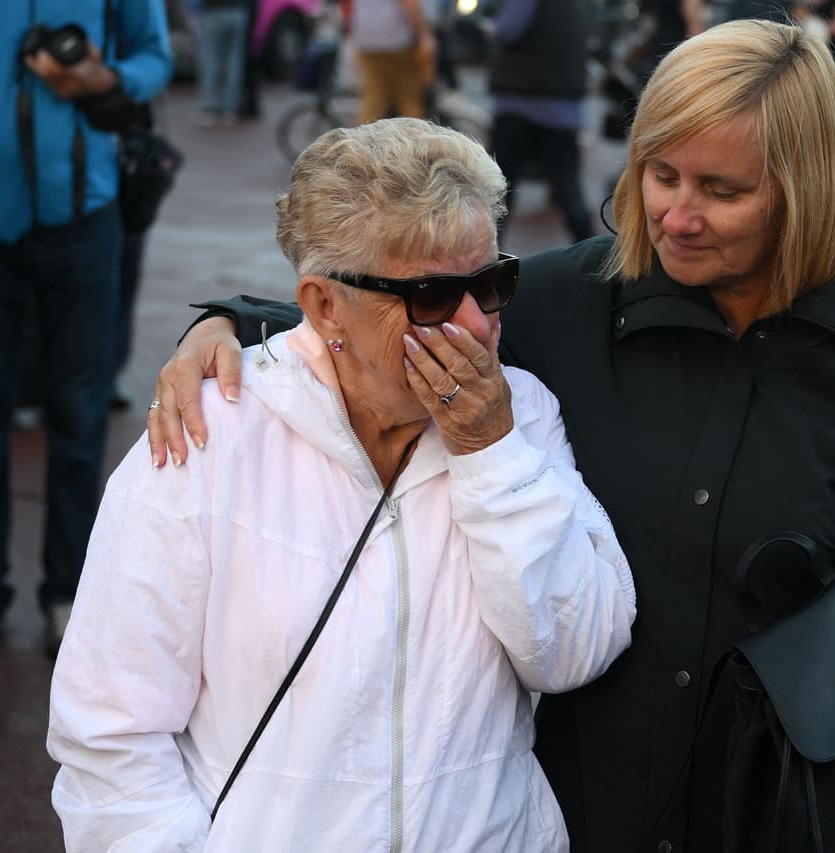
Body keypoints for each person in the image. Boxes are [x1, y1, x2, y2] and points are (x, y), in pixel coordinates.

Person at [148, 21, 835, 851]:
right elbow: (387, 317)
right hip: (585, 810)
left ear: (808, 184)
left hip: (784, 815)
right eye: (660, 172)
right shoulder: (567, 305)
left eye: (722, 190)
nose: (677, 214)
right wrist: (232, 325)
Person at [47, 118, 637, 851]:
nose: (476, 325)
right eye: (429, 295)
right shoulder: (209, 436)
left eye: (491, 284)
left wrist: (492, 455)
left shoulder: (521, 416)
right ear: (325, 305)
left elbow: (575, 649)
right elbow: (110, 733)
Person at [0, 0, 173, 657]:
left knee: (79, 412)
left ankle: (69, 591)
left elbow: (154, 56)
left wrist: (109, 81)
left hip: (87, 220)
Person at [490, 0, 596, 245]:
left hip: (520, 97)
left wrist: (491, 30)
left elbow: (508, 29)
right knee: (569, 188)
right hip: (565, 103)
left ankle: (484, 266)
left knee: (498, 188)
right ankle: (597, 260)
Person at [351, 0, 437, 124]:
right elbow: (409, 3)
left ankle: (362, 140)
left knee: (374, 99)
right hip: (397, 40)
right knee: (408, 98)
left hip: (367, 39)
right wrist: (424, 33)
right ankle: (414, 139)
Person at [193, 0, 251, 126]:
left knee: (210, 61)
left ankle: (210, 108)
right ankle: (230, 109)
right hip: (237, 11)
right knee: (234, 63)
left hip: (214, 11)